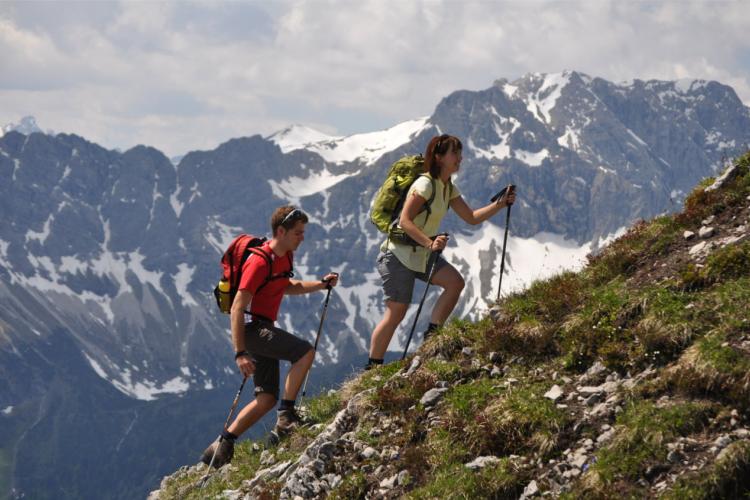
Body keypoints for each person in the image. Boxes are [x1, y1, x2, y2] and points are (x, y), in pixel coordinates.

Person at [201, 206, 339, 467]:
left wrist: (321, 285)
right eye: (297, 233)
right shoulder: (259, 261)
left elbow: (287, 286)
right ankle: (287, 418)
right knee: (304, 352)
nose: (302, 238)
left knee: (265, 398)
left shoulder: (285, 257)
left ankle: (221, 446)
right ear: (281, 231)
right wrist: (240, 353)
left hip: (261, 328)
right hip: (252, 329)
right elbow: (238, 307)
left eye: (303, 233)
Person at [366, 134, 516, 369]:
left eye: (460, 153)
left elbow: (472, 217)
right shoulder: (425, 184)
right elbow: (404, 221)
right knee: (397, 311)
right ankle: (373, 368)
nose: (459, 158)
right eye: (454, 153)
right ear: (438, 157)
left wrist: (500, 203)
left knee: (455, 283)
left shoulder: (447, 187)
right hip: (397, 255)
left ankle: (431, 341)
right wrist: (429, 243)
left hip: (421, 254)